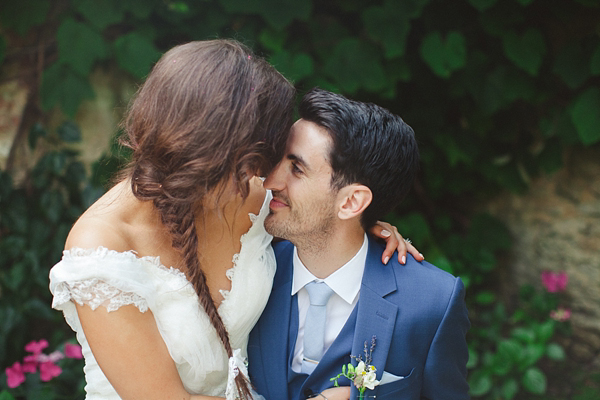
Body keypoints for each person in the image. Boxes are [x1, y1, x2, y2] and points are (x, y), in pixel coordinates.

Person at [48, 40, 422, 400]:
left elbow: (318, 216)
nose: (266, 178)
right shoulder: (101, 250)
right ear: (209, 152)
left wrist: (360, 227)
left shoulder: (247, 193)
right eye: (255, 161)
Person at [247, 88, 470, 400]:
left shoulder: (433, 304)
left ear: (351, 202)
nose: (271, 181)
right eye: (278, 160)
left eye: (296, 168)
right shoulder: (244, 268)